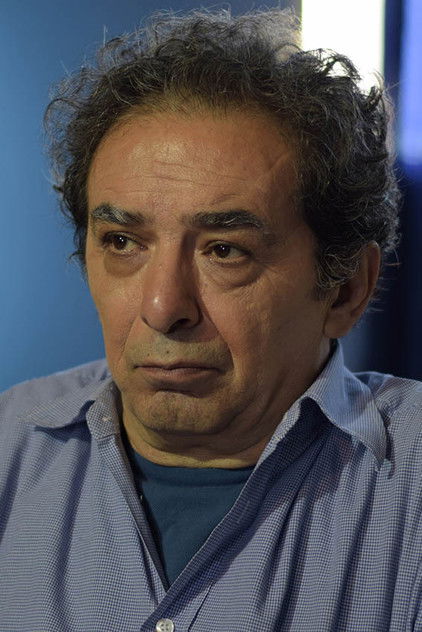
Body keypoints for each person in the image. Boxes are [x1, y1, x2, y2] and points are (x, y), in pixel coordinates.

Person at [0, 7, 419, 632]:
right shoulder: (8, 447)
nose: (163, 308)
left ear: (345, 290)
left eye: (224, 251)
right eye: (122, 243)